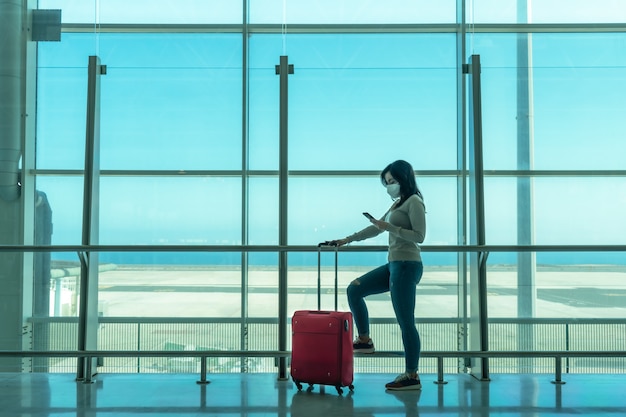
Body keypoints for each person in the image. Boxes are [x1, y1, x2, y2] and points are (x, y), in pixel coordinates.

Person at [329, 160, 426, 391]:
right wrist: (346, 240)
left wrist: (389, 227)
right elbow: (377, 228)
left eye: (392, 181)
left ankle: (412, 375)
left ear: (404, 179)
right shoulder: (397, 204)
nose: (389, 186)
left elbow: (419, 236)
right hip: (393, 265)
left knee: (406, 322)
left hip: (407, 265)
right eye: (387, 182)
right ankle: (364, 340)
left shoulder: (414, 201)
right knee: (355, 288)